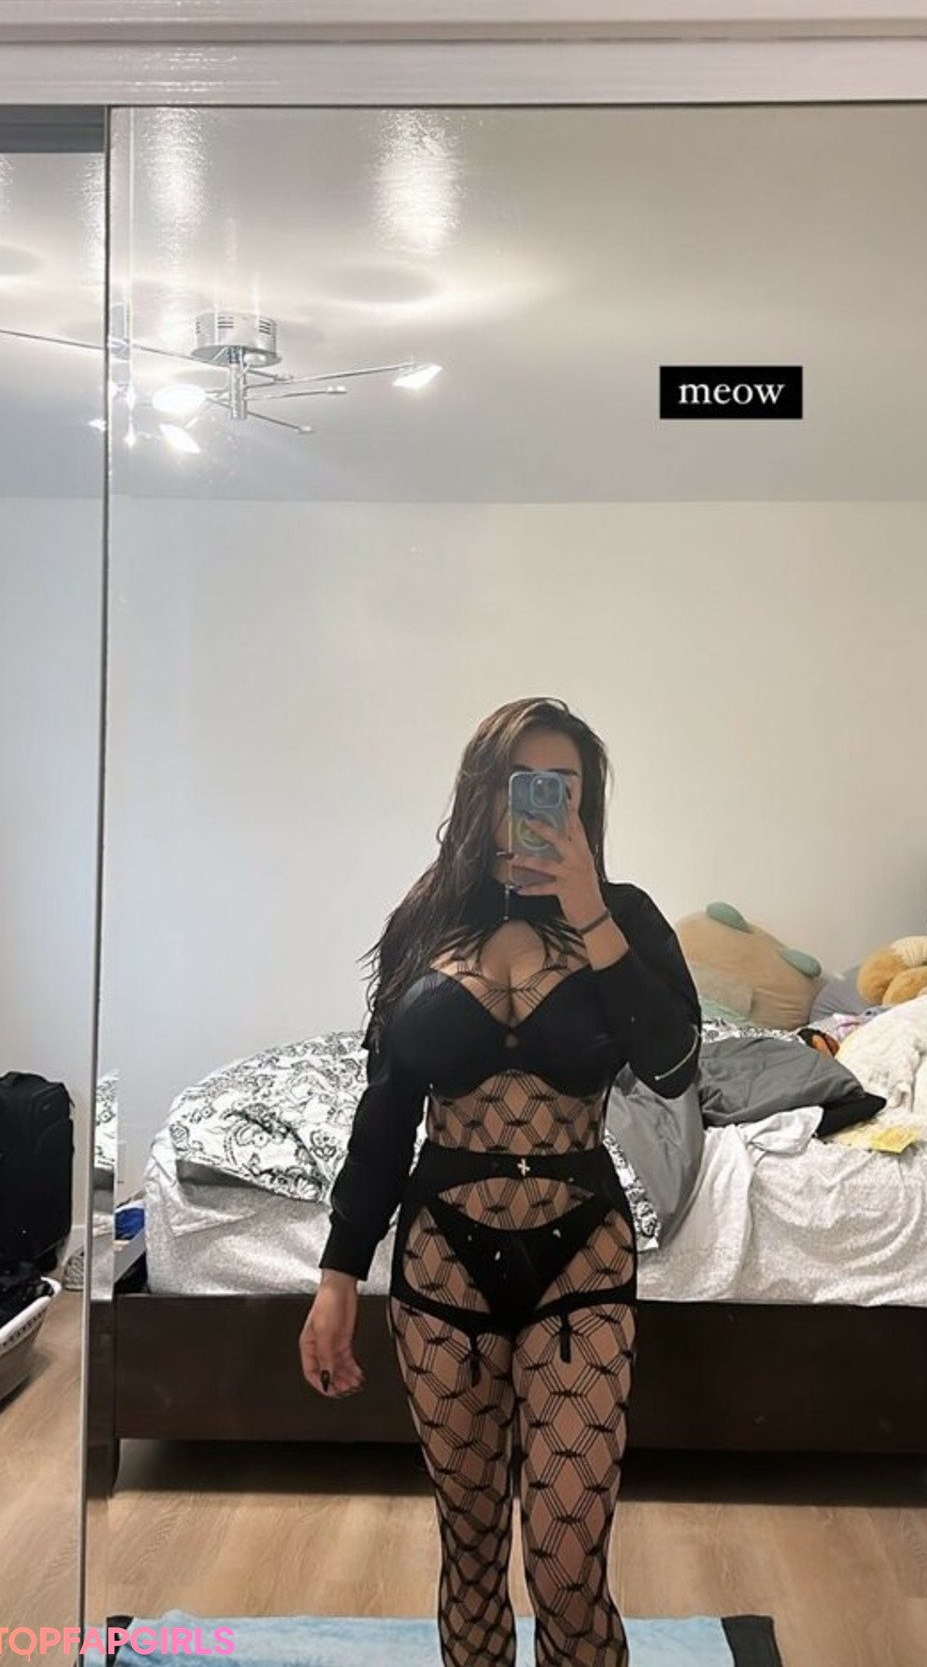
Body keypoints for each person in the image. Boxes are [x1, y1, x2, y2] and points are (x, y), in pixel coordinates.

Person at [299, 696, 701, 1666]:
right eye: (527, 784)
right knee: (472, 1553)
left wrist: (591, 914)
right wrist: (338, 1274)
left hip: (582, 1256)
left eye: (565, 787)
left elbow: (676, 1063)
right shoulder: (424, 920)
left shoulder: (625, 916)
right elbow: (384, 1114)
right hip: (442, 1261)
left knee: (568, 1563)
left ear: (586, 804)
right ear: (484, 795)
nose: (545, 803)